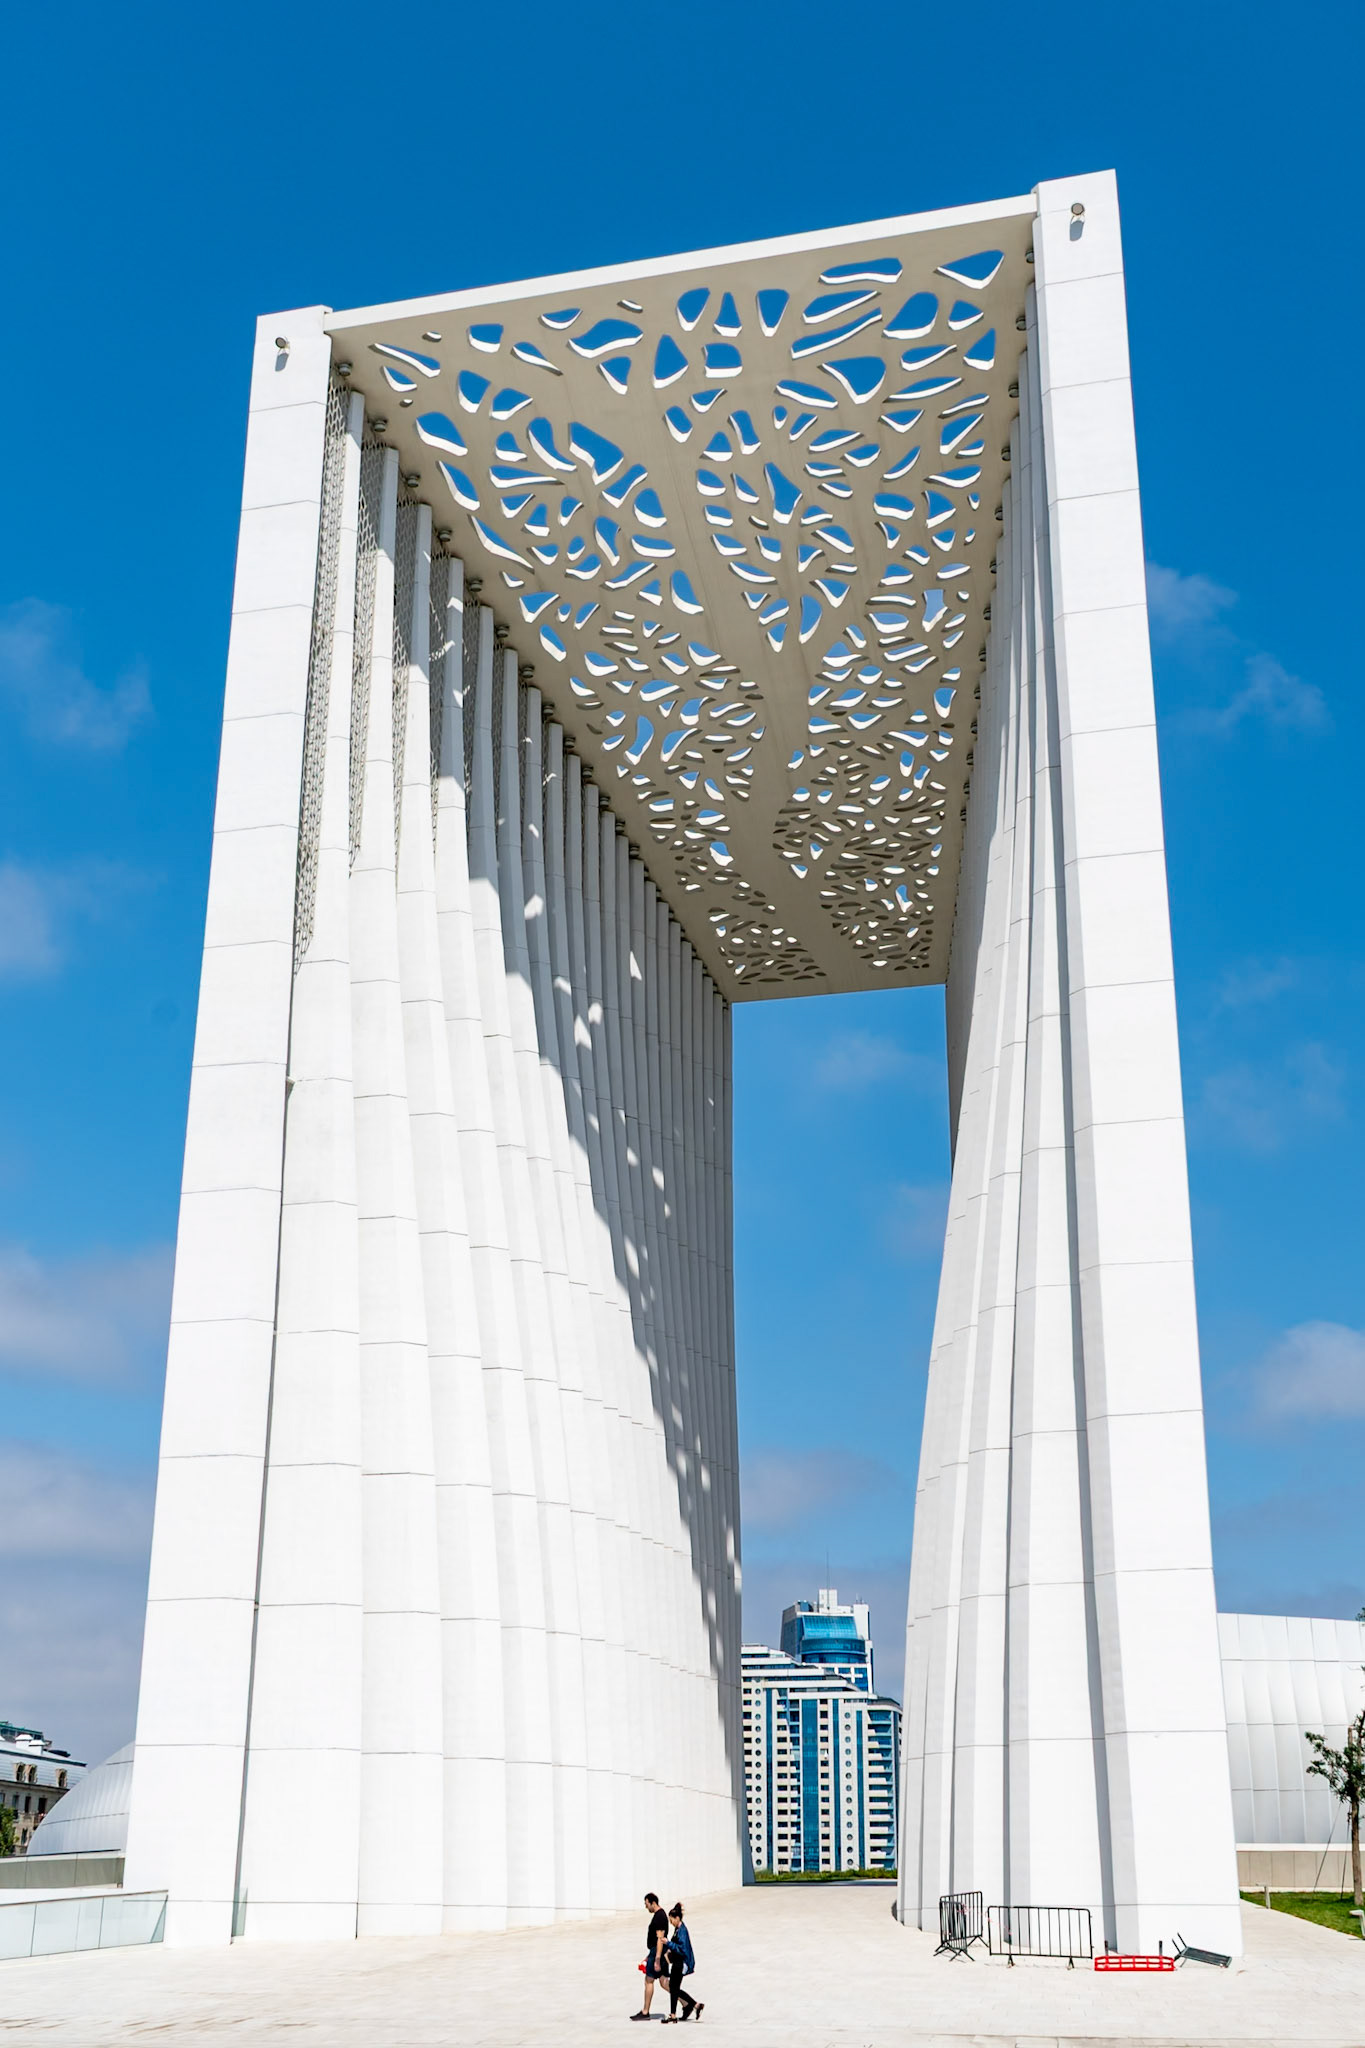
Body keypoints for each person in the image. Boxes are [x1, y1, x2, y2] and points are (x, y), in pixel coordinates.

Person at [661, 1902, 703, 2023]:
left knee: (674, 1988)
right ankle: (692, 2006)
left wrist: (668, 1943)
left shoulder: (682, 1931)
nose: (671, 1922)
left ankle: (691, 2006)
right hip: (677, 1963)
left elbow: (682, 1949)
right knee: (674, 1988)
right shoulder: (678, 1929)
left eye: (671, 1920)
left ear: (677, 1918)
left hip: (680, 1963)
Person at [630, 1892, 670, 2020]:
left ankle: (645, 2011)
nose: (646, 1907)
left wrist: (657, 1959)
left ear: (653, 1903)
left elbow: (660, 1939)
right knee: (664, 1983)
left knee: (649, 1981)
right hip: (658, 1952)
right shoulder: (660, 1915)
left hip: (658, 1953)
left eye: (646, 1904)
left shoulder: (659, 1917)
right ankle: (689, 2004)